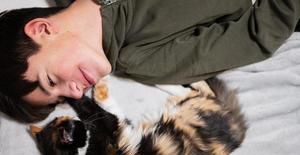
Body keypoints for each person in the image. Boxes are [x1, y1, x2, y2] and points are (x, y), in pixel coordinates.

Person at [0, 0, 299, 123]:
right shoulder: (145, 59)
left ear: (41, 30)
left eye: (52, 81)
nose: (77, 93)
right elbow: (259, 32)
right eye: (63, 98)